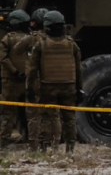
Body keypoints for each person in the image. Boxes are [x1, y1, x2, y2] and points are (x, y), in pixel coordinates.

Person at [27, 11, 82, 153]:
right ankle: (70, 148)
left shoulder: (41, 45)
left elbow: (33, 69)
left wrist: (29, 88)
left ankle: (45, 146)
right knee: (69, 118)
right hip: (69, 86)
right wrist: (79, 89)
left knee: (47, 117)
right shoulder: (71, 44)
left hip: (48, 86)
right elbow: (78, 70)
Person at [13, 8, 56, 151]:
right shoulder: (57, 38)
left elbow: (17, 49)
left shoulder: (32, 38)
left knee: (33, 114)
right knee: (51, 113)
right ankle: (50, 144)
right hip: (51, 80)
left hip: (34, 80)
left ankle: (34, 146)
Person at [0, 10, 30, 147]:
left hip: (10, 81)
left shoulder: (8, 39)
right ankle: (29, 137)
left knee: (8, 112)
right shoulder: (30, 39)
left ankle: (4, 140)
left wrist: (14, 72)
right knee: (27, 111)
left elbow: (3, 58)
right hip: (27, 81)